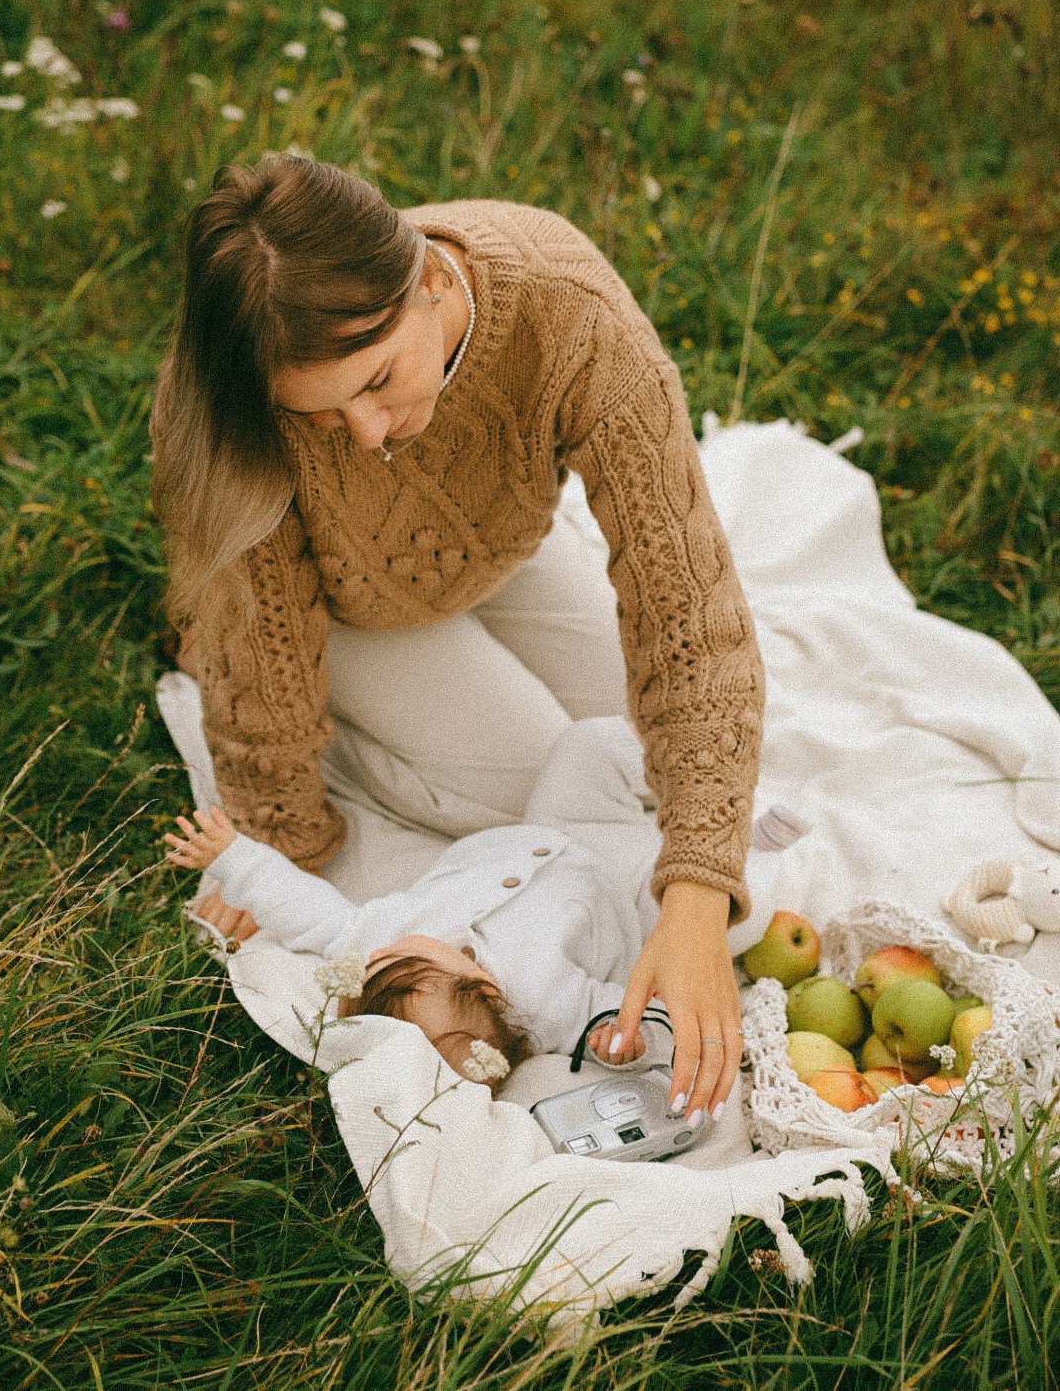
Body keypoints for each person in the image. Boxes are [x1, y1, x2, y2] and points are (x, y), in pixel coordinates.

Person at [150, 154, 765, 1122]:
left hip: (500, 552)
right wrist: (277, 830)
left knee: (653, 755)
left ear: (433, 280)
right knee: (536, 813)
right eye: (323, 411)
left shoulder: (567, 310)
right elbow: (261, 631)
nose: (365, 432)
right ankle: (342, 726)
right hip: (346, 617)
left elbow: (688, 612)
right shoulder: (241, 377)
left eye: (382, 381)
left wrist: (697, 899)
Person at [166, 717, 770, 1123]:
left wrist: (235, 858)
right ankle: (751, 843)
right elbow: (645, 1005)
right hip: (625, 889)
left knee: (588, 743)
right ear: (479, 984)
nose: (387, 947)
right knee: (730, 912)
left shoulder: (380, 947)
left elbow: (306, 911)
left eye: (381, 962)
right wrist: (624, 1044)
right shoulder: (549, 1005)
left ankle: (705, 771)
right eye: (409, 959)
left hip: (554, 828)